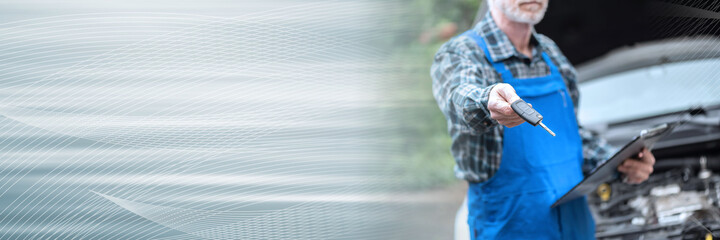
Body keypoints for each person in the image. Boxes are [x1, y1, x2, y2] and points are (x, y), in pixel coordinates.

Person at [430, 0, 657, 239]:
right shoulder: (462, 53)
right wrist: (487, 101)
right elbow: (458, 97)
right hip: (513, 228)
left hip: (576, 227)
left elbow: (569, 137)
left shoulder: (552, 54)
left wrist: (618, 162)